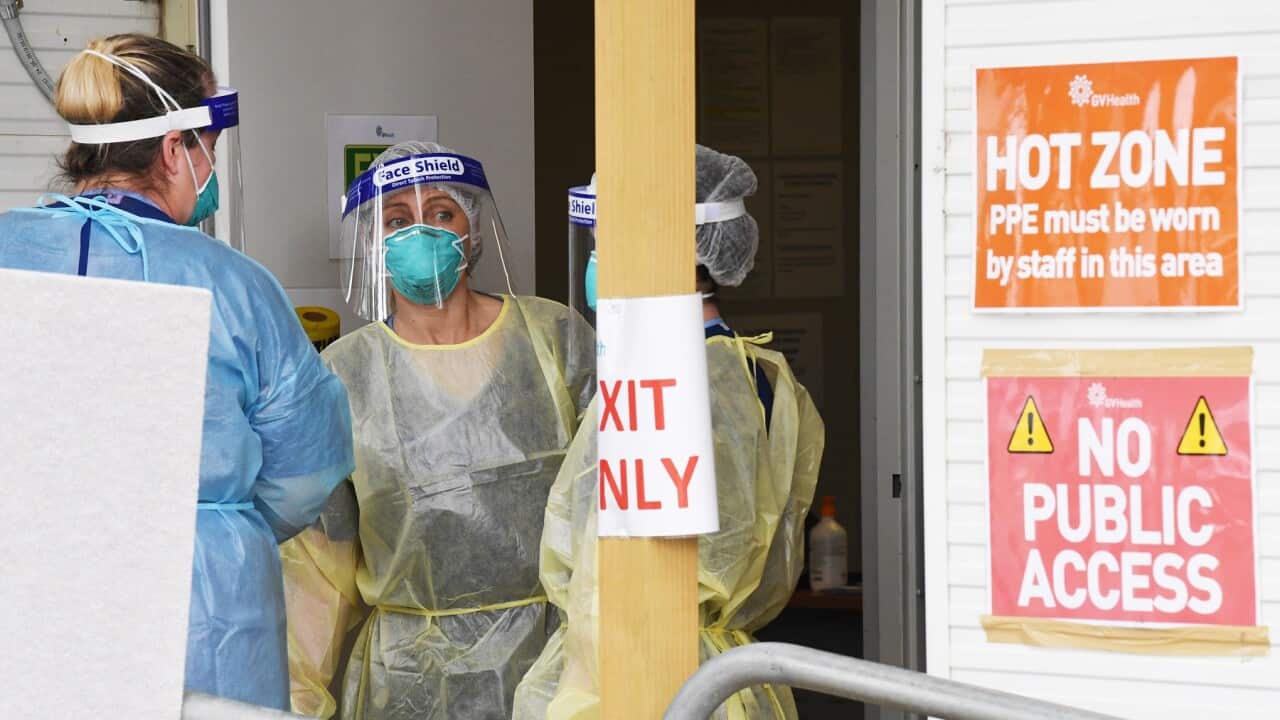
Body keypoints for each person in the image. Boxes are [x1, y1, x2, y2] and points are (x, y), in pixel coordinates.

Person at [0, 34, 355, 709]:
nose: (209, 169)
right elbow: (307, 467)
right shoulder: (231, 283)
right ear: (175, 149)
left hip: (23, 603)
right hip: (203, 613)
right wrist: (211, 529)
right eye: (207, 151)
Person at [281, 141, 595, 720]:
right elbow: (319, 567)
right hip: (408, 681)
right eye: (397, 220)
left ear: (472, 230)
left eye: (441, 214)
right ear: (375, 245)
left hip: (552, 665)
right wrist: (298, 699)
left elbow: (609, 509)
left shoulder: (554, 339)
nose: (418, 233)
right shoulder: (344, 375)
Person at [512, 145, 826, 720]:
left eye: (615, 236)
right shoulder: (744, 367)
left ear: (677, 246)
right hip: (697, 672)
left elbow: (639, 565)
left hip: (657, 674)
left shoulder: (698, 380)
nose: (599, 255)